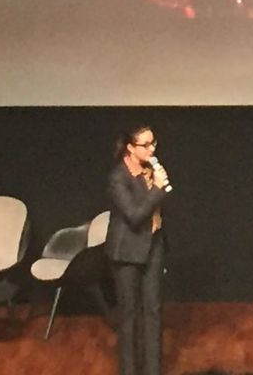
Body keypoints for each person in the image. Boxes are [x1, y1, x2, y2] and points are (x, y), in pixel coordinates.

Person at [107, 124, 171, 375]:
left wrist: (158, 186)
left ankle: (153, 371)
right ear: (130, 148)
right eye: (145, 145)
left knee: (153, 310)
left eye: (154, 143)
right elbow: (134, 216)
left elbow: (155, 209)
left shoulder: (150, 169)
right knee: (129, 315)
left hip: (153, 246)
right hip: (127, 252)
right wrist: (156, 190)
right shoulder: (118, 177)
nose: (152, 149)